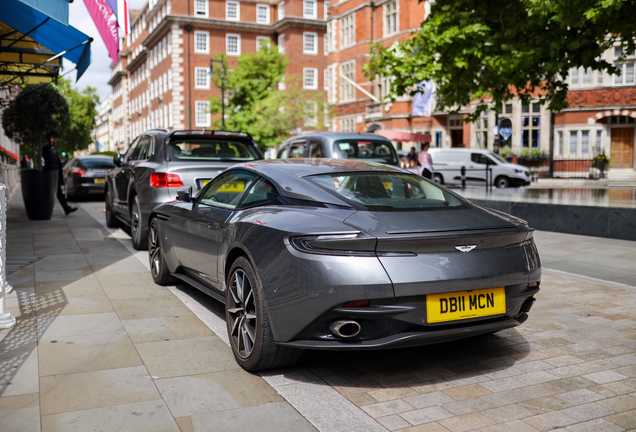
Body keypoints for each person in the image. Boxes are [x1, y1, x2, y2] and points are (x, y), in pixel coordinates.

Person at [42, 137, 77, 215]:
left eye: (55, 139)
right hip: (50, 174)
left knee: (59, 193)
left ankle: (66, 208)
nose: (55, 141)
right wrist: (50, 143)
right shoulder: (46, 148)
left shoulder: (54, 150)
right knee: (51, 193)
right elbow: (46, 153)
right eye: (53, 139)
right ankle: (64, 208)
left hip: (56, 175)